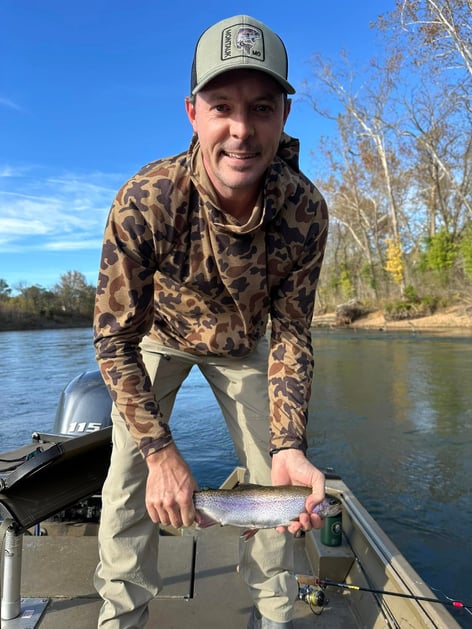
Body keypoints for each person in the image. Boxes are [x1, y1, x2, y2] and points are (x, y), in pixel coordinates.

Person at [93, 14, 329, 629]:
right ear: (193, 112)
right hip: (156, 338)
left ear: (284, 115)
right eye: (222, 106)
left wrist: (290, 445)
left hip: (244, 344)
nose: (241, 131)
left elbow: (294, 334)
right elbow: (113, 337)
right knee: (127, 484)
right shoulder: (145, 200)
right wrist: (161, 453)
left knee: (278, 491)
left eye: (262, 107)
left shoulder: (305, 212)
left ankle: (277, 616)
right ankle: (121, 616)